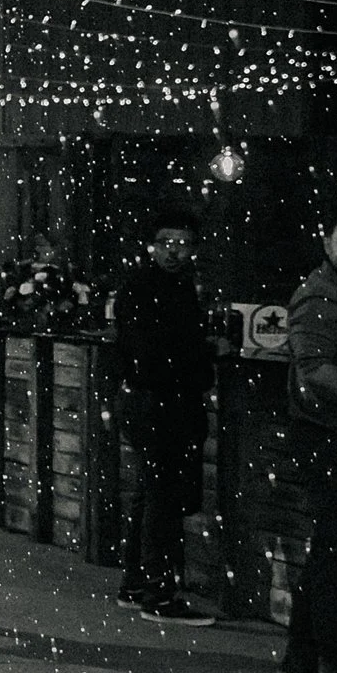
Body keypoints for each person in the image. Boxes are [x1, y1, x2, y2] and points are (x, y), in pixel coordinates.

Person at [111, 210, 219, 626]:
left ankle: (138, 582)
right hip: (159, 402)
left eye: (184, 243)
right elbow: (152, 355)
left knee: (151, 494)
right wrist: (201, 359)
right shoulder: (149, 290)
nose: (175, 251)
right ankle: (159, 591)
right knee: (163, 497)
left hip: (154, 401)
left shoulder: (171, 288)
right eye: (167, 243)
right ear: (152, 246)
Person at [278, 203, 337, 673]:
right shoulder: (321, 296)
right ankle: (335, 670)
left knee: (332, 551)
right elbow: (315, 370)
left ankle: (300, 661)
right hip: (332, 439)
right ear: (326, 244)